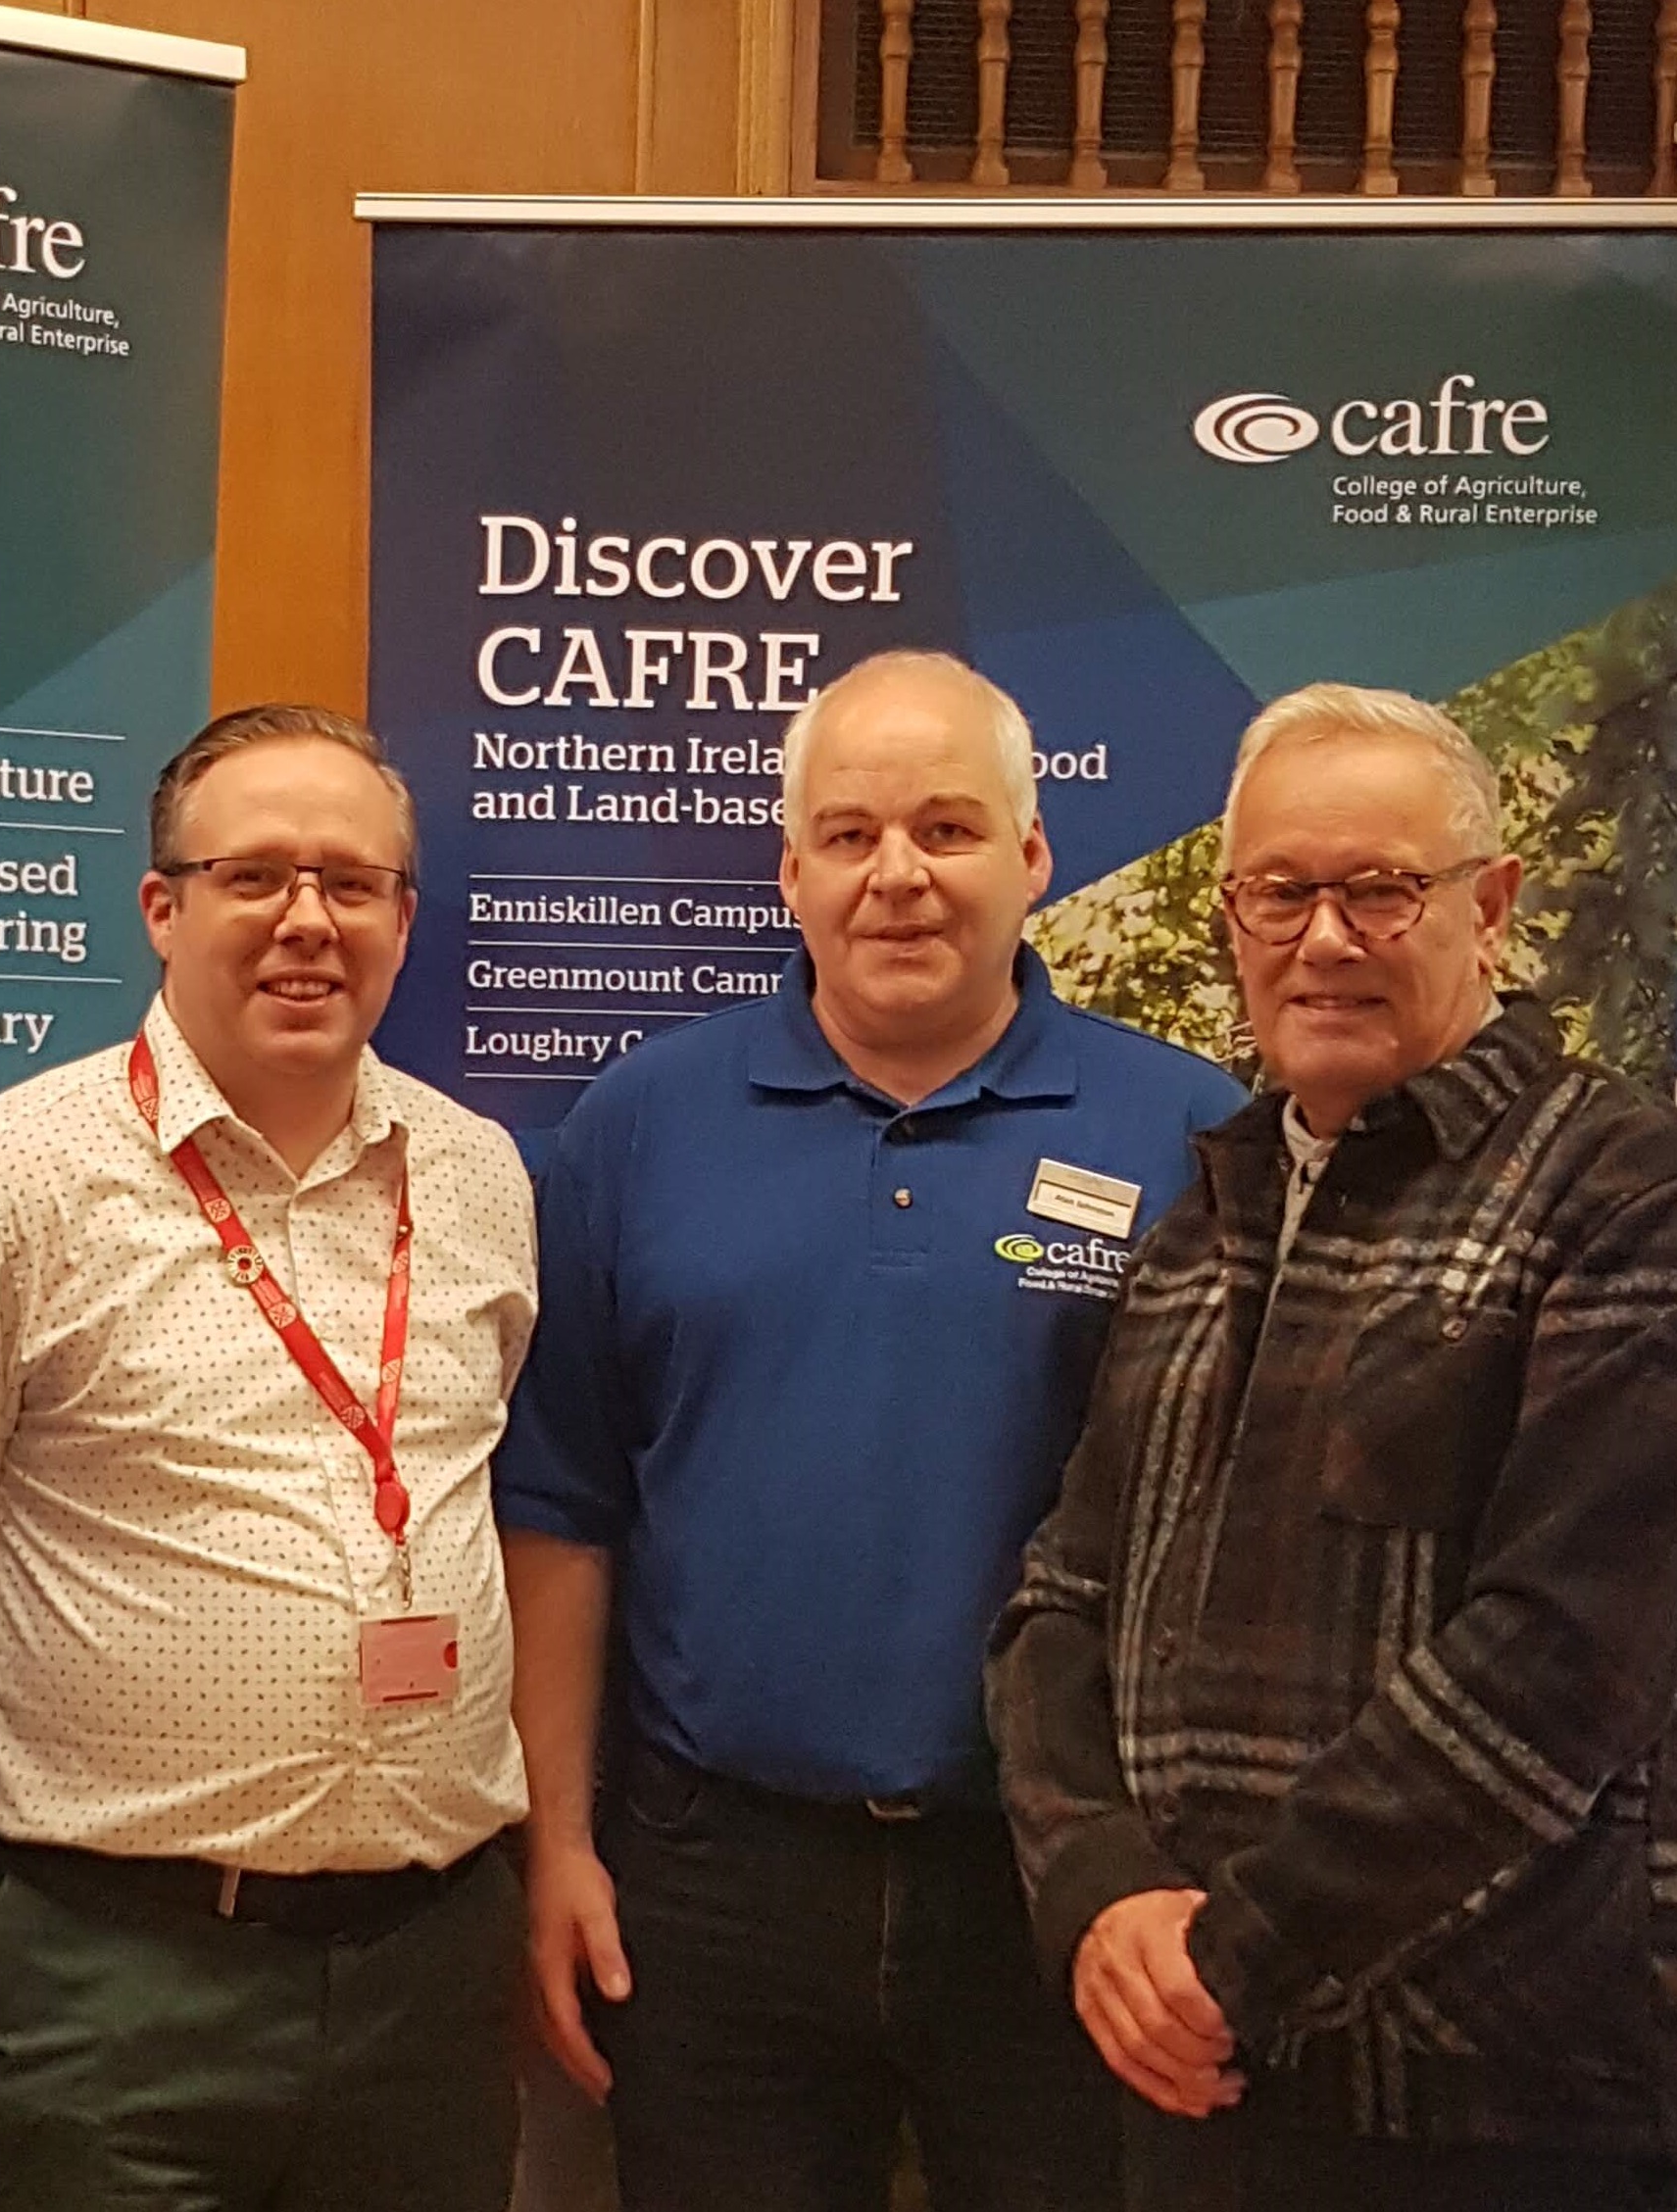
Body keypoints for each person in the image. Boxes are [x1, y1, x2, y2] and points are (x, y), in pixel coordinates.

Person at [991, 682, 1677, 2212]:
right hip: (1203, 2095)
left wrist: (1232, 1957)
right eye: (1280, 891)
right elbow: (1062, 1598)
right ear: (1234, 918)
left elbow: (1566, 1669)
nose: (1323, 937)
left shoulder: (1653, 1208)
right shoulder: (1198, 1233)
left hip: (1514, 2123)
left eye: (1380, 889)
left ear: (1489, 909)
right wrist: (1100, 1894)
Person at [497, 649, 1245, 2212]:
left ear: (1033, 856)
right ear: (792, 874)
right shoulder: (639, 1123)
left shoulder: (1189, 1133)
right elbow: (563, 1511)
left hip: (1065, 1880)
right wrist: (557, 1843)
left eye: (947, 829)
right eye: (850, 835)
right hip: (714, 1883)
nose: (897, 874)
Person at [0, 703, 538, 2212]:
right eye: (255, 875)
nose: (309, 919)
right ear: (162, 907)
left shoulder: (479, 1172)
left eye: (352, 882)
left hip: (430, 1969)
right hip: (113, 1976)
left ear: (405, 920)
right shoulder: (2, 1184)